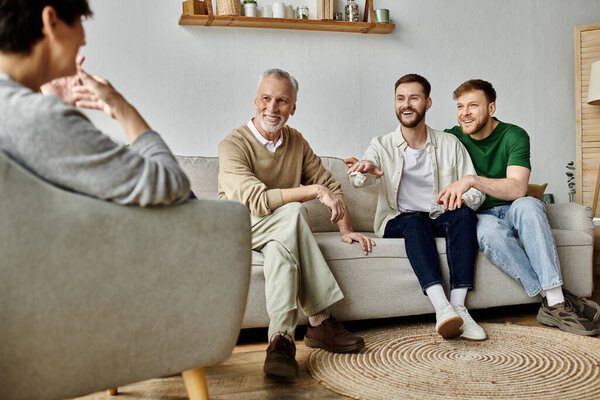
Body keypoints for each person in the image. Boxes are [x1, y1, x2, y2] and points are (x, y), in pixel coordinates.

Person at [218, 68, 373, 380]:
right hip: (237, 228)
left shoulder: (296, 142)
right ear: (255, 101)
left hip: (278, 234)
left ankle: (281, 343)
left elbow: (330, 183)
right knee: (295, 213)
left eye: (282, 100)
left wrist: (345, 229)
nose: (272, 108)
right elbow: (258, 202)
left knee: (281, 254)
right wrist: (313, 192)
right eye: (266, 98)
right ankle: (320, 320)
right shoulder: (232, 145)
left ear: (293, 108)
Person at [439, 79, 600, 336]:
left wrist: (472, 180)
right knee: (488, 233)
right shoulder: (451, 138)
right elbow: (417, 148)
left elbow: (517, 189)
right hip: (480, 215)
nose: (464, 113)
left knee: (529, 205)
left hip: (514, 208)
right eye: (460, 106)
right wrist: (369, 159)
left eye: (472, 105)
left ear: (491, 108)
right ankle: (556, 299)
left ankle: (555, 301)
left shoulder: (513, 134)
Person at [0, 0, 190, 206]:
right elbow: (171, 183)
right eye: (80, 21)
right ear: (51, 21)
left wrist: (55, 103)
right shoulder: (39, 118)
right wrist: (122, 108)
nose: (83, 40)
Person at [347, 74, 486, 340]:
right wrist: (362, 170)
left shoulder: (449, 143)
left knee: (464, 214)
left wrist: (459, 199)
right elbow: (357, 179)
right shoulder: (381, 144)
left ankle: (459, 307)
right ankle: (442, 308)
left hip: (438, 216)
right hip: (398, 220)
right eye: (400, 98)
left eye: (414, 98)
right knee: (414, 220)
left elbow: (475, 191)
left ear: (428, 102)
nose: (406, 104)